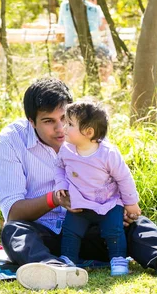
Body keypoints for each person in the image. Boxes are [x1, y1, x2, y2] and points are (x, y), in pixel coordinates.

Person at [0, 78, 157, 290]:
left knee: (136, 224)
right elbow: (13, 212)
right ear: (31, 121)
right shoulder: (10, 141)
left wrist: (117, 208)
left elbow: (114, 178)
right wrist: (55, 199)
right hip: (47, 236)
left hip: (94, 228)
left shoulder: (88, 130)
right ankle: (53, 270)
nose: (60, 129)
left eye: (64, 119)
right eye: (48, 121)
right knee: (13, 232)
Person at [54, 101, 141, 276]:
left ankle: (118, 259)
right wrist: (61, 184)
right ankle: (68, 260)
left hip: (108, 202)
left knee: (114, 231)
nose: (63, 128)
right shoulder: (66, 150)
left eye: (70, 124)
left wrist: (131, 203)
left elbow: (123, 177)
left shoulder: (107, 153)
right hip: (80, 203)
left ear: (88, 132)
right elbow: (59, 167)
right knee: (71, 231)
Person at [55, 0, 111, 82]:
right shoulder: (95, 9)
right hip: (94, 46)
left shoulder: (65, 6)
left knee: (56, 58)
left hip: (70, 46)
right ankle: (104, 81)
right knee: (108, 55)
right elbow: (99, 26)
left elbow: (61, 25)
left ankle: (62, 82)